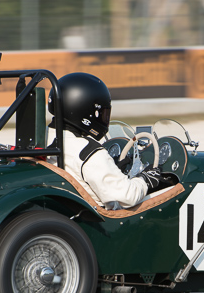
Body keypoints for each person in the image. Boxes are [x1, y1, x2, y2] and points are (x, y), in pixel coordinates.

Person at [48, 72, 173, 209]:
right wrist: (145, 179)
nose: (103, 118)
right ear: (85, 112)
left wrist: (113, 170)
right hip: (100, 220)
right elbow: (128, 196)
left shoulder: (40, 140)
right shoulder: (88, 152)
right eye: (101, 113)